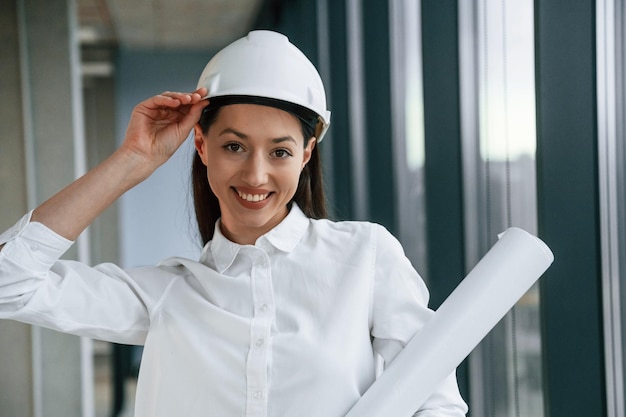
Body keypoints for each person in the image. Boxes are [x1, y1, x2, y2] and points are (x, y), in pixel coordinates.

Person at [0, 30, 467, 416]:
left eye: (280, 151)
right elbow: (9, 282)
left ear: (306, 156)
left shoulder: (365, 256)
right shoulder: (167, 295)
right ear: (201, 147)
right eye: (234, 146)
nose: (256, 175)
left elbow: (436, 402)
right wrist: (132, 161)